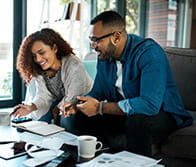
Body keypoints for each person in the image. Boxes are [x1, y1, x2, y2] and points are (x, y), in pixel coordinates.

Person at [62, 11, 193, 156]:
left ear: (116, 37)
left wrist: (100, 107)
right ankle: (95, 159)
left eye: (96, 40)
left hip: (161, 114)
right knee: (75, 118)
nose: (93, 46)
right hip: (125, 113)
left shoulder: (149, 53)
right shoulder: (105, 55)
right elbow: (98, 92)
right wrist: (79, 105)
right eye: (91, 40)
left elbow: (149, 105)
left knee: (138, 121)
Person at [12, 28, 93, 132]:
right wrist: (31, 107)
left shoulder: (73, 64)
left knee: (65, 120)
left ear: (54, 48)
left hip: (79, 104)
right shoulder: (40, 70)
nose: (38, 59)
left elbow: (73, 97)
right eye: (34, 56)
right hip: (59, 103)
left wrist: (56, 111)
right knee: (28, 127)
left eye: (41, 53)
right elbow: (43, 96)